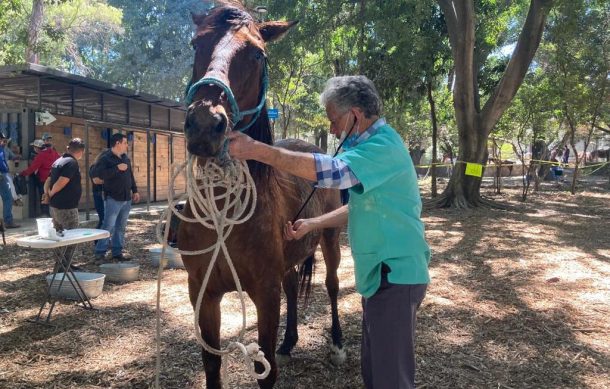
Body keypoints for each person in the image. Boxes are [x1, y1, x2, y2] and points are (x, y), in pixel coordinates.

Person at [228, 75, 430, 389]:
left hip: (396, 277)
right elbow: (359, 207)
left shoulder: (382, 146)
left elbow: (332, 172)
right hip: (381, 278)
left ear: (355, 116)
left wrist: (259, 151)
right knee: (375, 373)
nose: (333, 130)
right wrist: (314, 223)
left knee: (391, 380)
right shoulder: (374, 149)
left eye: (334, 121)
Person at [93, 133, 140, 263]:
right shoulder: (105, 158)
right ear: (118, 143)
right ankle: (99, 253)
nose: (127, 145)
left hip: (126, 198)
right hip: (113, 198)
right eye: (125, 143)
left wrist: (134, 190)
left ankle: (117, 252)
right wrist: (117, 168)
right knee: (108, 226)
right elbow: (99, 175)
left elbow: (130, 175)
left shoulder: (125, 158)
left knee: (121, 226)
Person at [46, 138, 86, 270]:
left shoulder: (58, 161)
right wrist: (51, 193)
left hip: (55, 206)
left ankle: (60, 263)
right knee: (71, 237)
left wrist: (47, 194)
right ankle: (64, 265)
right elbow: (62, 181)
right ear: (81, 151)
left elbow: (48, 180)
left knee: (59, 235)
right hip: (66, 207)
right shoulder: (71, 163)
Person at [19, 139, 60, 216]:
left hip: (44, 180)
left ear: (37, 148)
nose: (34, 149)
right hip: (54, 179)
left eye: (34, 147)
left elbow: (32, 168)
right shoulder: (54, 153)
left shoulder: (40, 156)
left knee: (44, 196)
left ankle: (45, 214)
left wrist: (22, 174)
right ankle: (54, 214)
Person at [0, 134, 20, 228]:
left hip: (3, 174)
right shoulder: (1, 149)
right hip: (2, 174)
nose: (3, 142)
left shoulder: (4, 149)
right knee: (8, 198)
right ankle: (8, 221)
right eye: (2, 140)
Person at [89, 150, 109, 230]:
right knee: (103, 219)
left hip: (103, 193)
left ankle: (103, 239)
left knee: (105, 219)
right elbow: (96, 180)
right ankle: (98, 240)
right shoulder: (96, 166)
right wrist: (112, 181)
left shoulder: (100, 166)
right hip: (100, 193)